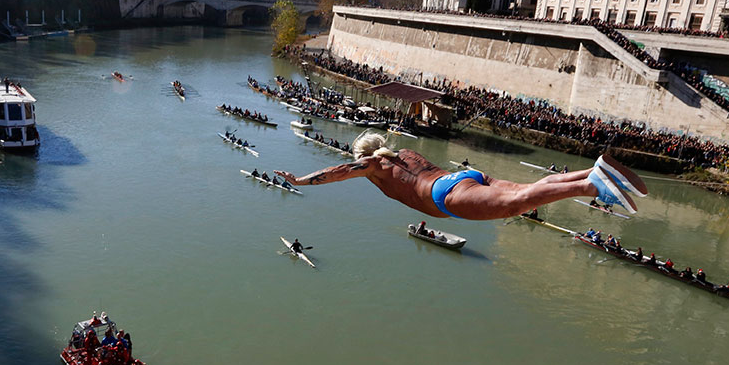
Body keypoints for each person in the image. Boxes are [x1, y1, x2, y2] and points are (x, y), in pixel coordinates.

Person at [275, 132, 647, 220]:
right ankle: (592, 170)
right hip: (463, 177)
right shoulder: (403, 153)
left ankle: (591, 186)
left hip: (445, 198)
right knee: (527, 190)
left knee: (519, 204)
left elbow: (337, 173)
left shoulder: (375, 165)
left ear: (364, 156)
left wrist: (300, 180)